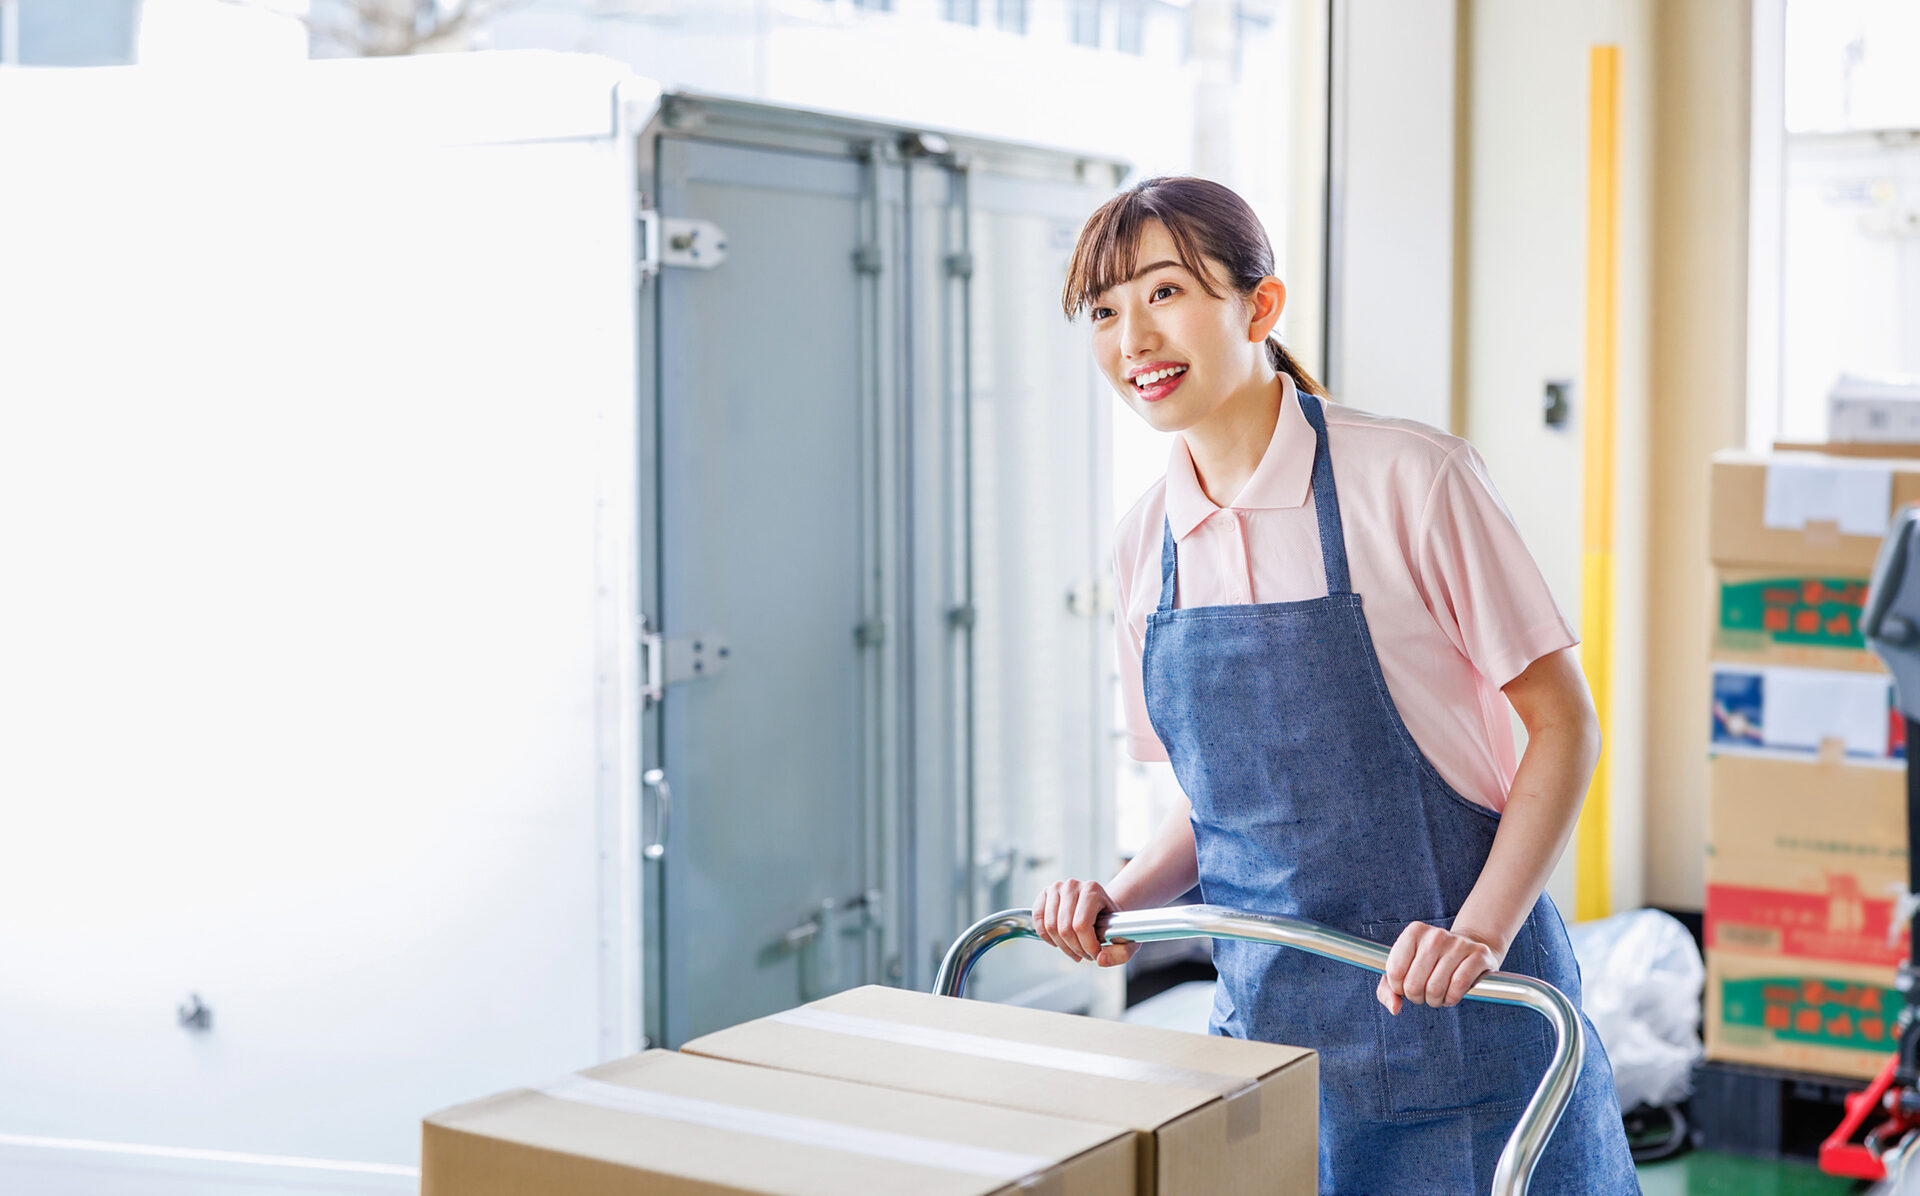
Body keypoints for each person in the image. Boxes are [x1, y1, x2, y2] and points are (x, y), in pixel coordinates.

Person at [1031, 175, 1639, 1194]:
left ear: (1258, 306)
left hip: (1470, 1032)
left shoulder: (1411, 479)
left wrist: (1479, 931)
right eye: (1103, 310)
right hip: (1271, 1048)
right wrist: (1117, 899)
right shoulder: (1146, 542)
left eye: (1165, 293)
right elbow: (1220, 808)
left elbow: (1563, 724)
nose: (1132, 336)